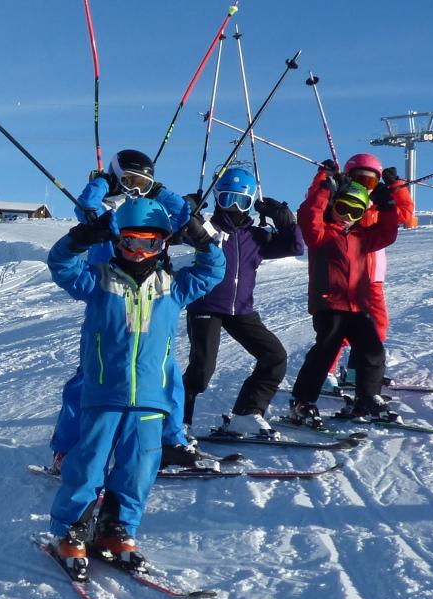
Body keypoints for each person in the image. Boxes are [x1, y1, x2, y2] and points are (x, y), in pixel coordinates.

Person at [47, 197, 223, 576]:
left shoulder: (173, 287)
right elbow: (60, 263)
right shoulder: (97, 281)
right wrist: (81, 237)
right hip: (103, 394)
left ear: (163, 244)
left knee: (139, 467)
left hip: (150, 398)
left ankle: (117, 528)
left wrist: (202, 237)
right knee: (88, 464)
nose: (140, 252)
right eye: (131, 242)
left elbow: (214, 270)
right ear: (116, 242)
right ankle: (71, 531)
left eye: (151, 243)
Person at [49, 149, 204, 470]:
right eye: (130, 181)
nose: (137, 190)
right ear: (115, 177)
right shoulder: (105, 210)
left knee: (166, 373)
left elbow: (181, 218)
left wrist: (160, 192)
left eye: (145, 183)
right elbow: (85, 209)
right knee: (90, 375)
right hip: (109, 294)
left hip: (149, 291)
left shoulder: (149, 211)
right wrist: (102, 184)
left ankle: (170, 440)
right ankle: (67, 448)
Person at [182, 166, 301, 438]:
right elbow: (181, 235)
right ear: (217, 199)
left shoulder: (257, 236)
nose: (234, 207)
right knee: (201, 370)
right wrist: (188, 213)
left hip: (241, 310)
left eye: (242, 201)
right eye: (227, 199)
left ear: (250, 204)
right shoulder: (208, 228)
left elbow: (294, 247)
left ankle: (247, 413)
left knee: (275, 356)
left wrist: (285, 221)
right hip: (206, 307)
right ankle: (177, 423)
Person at [287, 162, 401, 425]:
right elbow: (308, 215)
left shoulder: (363, 237)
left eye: (355, 211)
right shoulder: (322, 235)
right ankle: (302, 401)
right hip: (329, 305)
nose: (348, 215)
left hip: (358, 307)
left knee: (372, 351)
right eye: (343, 208)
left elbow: (388, 233)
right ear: (334, 206)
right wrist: (324, 188)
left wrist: (386, 205)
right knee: (325, 351)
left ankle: (367, 399)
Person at [320, 152, 410, 395]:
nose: (363, 186)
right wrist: (326, 181)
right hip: (345, 276)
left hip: (373, 278)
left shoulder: (378, 204)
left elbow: (406, 216)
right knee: (338, 329)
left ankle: (357, 370)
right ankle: (325, 372)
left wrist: (396, 187)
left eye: (369, 182)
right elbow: (315, 209)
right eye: (357, 179)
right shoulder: (341, 201)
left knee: (377, 326)